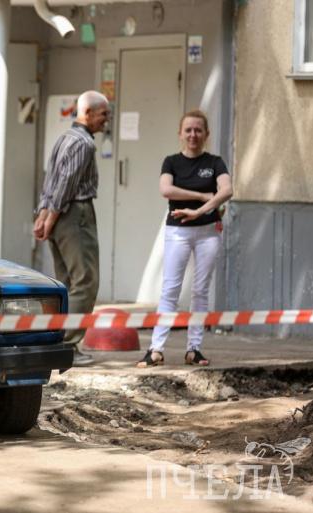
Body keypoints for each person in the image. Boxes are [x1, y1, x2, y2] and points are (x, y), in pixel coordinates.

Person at [137, 110, 233, 368]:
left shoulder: (215, 162)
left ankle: (194, 349)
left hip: (208, 231)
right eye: (188, 130)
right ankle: (156, 349)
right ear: (180, 133)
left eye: (198, 130)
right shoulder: (171, 162)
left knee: (200, 290)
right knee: (170, 289)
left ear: (206, 134)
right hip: (177, 232)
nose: (193, 135)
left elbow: (227, 190)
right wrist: (203, 197)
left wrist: (199, 212)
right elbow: (166, 189)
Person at [34, 91, 110, 367]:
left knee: (66, 283)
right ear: (87, 113)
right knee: (85, 281)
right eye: (103, 114)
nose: (106, 120)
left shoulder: (64, 137)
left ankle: (57, 343)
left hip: (58, 214)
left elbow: (50, 180)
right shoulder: (84, 143)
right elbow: (65, 183)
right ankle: (67, 344)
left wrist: (43, 214)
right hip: (75, 214)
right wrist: (50, 217)